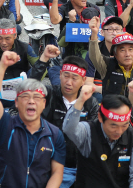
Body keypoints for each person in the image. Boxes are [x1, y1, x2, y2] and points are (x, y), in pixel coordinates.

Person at [0, 50, 66, 187]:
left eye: (37, 97)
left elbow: (57, 173)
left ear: (44, 104)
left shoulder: (55, 134)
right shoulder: (6, 126)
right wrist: (2, 65)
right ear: (16, 102)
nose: (31, 101)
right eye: (25, 97)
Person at [63, 91, 133, 188]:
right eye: (113, 126)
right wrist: (80, 101)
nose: (119, 131)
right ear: (100, 117)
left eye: (124, 125)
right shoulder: (88, 132)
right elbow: (68, 129)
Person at [42, 56, 99, 188]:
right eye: (66, 76)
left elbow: (93, 136)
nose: (69, 82)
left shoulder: (90, 103)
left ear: (83, 80)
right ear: (60, 74)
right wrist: (43, 60)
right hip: (48, 162)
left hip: (79, 165)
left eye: (74, 78)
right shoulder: (48, 95)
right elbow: (28, 89)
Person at [88, 16, 133, 97]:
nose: (127, 54)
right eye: (122, 50)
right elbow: (94, 56)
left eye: (131, 49)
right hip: (112, 107)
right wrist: (94, 33)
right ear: (115, 54)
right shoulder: (107, 65)